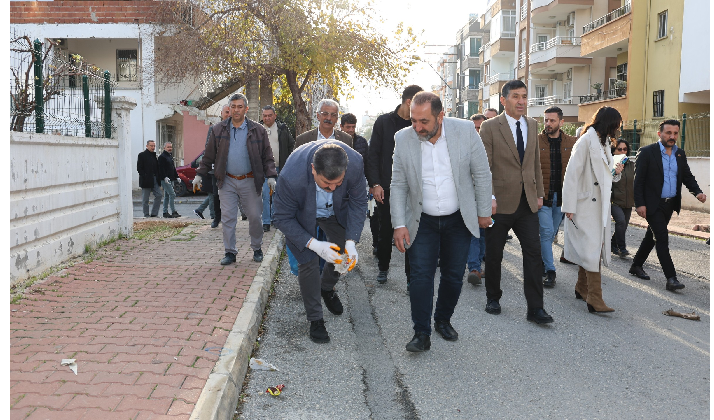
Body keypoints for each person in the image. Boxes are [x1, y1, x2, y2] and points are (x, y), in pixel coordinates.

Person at [391, 92, 492, 352]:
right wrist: (398, 224)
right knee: (421, 276)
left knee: (453, 276)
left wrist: (483, 212)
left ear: (440, 115)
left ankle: (443, 320)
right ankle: (421, 332)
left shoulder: (466, 130)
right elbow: (399, 184)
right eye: (414, 120)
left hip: (458, 218)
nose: (417, 127)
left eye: (423, 121)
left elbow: (481, 173)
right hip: (421, 220)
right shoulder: (403, 139)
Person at [273, 142, 367, 343]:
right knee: (308, 262)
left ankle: (326, 287)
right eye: (326, 184)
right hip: (302, 213)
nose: (332, 188)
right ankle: (315, 319)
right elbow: (281, 217)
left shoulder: (356, 163)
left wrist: (351, 241)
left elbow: (359, 203)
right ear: (313, 169)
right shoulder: (291, 177)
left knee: (341, 250)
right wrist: (314, 244)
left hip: (335, 212)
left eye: (338, 183)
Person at [479, 80, 553, 324]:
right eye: (516, 97)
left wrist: (540, 193)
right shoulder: (489, 127)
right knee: (494, 254)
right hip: (499, 203)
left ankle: (536, 308)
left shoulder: (533, 125)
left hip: (528, 203)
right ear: (503, 100)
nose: (521, 101)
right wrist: (488, 198)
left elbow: (534, 163)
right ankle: (493, 297)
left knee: (533, 254)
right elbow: (484, 167)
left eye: (524, 96)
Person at [193, 93, 277, 265]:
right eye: (233, 106)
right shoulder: (218, 130)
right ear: (229, 109)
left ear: (246, 109)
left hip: (250, 180)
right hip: (227, 181)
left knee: (254, 216)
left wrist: (271, 176)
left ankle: (256, 247)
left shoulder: (257, 130)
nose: (236, 109)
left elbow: (267, 156)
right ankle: (230, 252)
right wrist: (199, 174)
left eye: (240, 106)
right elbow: (208, 156)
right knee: (228, 217)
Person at [629, 119, 706, 291]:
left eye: (675, 133)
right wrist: (639, 204)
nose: (672, 136)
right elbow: (638, 181)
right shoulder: (647, 152)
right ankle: (671, 278)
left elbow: (687, 176)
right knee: (662, 237)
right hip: (652, 204)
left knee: (652, 235)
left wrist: (698, 192)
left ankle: (636, 265)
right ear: (660, 134)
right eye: (668, 133)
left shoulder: (680, 154)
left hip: (669, 205)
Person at [562, 106, 624, 312]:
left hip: (598, 205)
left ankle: (581, 287)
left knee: (592, 247)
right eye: (616, 125)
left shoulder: (603, 142)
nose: (618, 129)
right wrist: (569, 206)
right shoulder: (585, 141)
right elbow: (572, 174)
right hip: (584, 205)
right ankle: (595, 299)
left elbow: (604, 176)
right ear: (608, 123)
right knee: (591, 248)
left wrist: (616, 171)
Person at [366, 84, 423, 288]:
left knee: (411, 231)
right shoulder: (383, 122)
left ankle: (411, 278)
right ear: (409, 102)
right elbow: (373, 155)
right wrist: (375, 184)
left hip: (414, 188)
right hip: (387, 188)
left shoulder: (421, 124)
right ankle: (383, 268)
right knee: (385, 230)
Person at [536, 106, 576, 288]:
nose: (548, 124)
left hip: (561, 199)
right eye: (546, 120)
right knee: (545, 233)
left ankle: (542, 264)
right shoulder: (535, 141)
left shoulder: (572, 142)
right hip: (542, 198)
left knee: (550, 234)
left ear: (561, 122)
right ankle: (551, 271)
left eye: (552, 120)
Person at [341, 113, 377, 252]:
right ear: (341, 126)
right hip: (340, 185)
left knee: (356, 214)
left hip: (357, 185)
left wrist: (373, 184)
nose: (350, 130)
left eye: (353, 127)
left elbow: (367, 164)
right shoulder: (336, 141)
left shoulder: (361, 142)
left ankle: (350, 244)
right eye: (348, 127)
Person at [260, 105, 295, 232]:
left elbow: (292, 144)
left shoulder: (282, 128)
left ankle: (275, 219)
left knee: (277, 194)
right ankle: (266, 221)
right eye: (265, 115)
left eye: (270, 115)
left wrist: (289, 160)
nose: (267, 118)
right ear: (262, 116)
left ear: (275, 116)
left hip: (280, 167)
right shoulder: (257, 129)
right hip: (263, 168)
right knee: (265, 194)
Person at [196, 104, 231, 224]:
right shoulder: (214, 129)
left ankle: (229, 219)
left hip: (233, 169)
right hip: (216, 169)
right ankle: (217, 218)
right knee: (216, 195)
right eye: (226, 112)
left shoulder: (238, 129)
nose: (228, 114)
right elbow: (208, 148)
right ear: (221, 114)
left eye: (230, 112)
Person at [465, 113, 488, 286]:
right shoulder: (465, 147)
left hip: (490, 199)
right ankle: (474, 268)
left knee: (485, 232)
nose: (477, 131)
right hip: (470, 198)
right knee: (474, 233)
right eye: (474, 128)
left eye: (480, 128)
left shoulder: (492, 147)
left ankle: (478, 264)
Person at [610, 139, 635, 257]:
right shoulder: (610, 164)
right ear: (614, 151)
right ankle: (622, 248)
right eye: (619, 149)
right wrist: (614, 172)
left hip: (628, 201)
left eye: (625, 149)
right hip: (614, 201)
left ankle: (613, 243)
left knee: (623, 225)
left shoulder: (631, 165)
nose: (622, 151)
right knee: (620, 221)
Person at [137, 140, 162, 217]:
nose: (153, 147)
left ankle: (154, 213)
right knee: (145, 199)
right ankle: (146, 214)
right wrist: (145, 176)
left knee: (159, 195)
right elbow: (139, 168)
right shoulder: (142, 155)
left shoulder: (154, 156)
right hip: (146, 180)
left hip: (154, 179)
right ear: (147, 146)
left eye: (154, 146)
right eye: (151, 146)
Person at [158, 141, 180, 218]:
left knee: (167, 196)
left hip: (171, 179)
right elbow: (161, 169)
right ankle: (173, 211)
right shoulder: (162, 157)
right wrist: (164, 177)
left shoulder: (169, 156)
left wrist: (177, 176)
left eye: (170, 147)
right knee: (172, 194)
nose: (170, 148)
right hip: (165, 180)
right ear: (164, 148)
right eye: (168, 147)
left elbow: (173, 168)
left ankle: (165, 212)